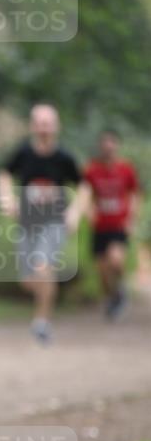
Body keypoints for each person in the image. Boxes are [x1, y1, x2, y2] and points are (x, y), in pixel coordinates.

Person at [0, 104, 89, 344]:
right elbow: (4, 174)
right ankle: (47, 298)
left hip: (55, 222)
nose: (43, 128)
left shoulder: (64, 158)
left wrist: (75, 212)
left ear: (56, 127)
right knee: (28, 281)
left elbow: (84, 186)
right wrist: (7, 199)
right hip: (27, 222)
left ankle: (41, 322)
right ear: (32, 126)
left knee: (42, 265)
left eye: (48, 123)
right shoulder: (24, 153)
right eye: (39, 123)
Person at [83, 131, 141, 319]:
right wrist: (88, 211)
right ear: (101, 147)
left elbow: (135, 194)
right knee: (102, 271)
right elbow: (85, 193)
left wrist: (131, 218)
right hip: (100, 226)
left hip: (118, 225)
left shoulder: (126, 169)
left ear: (117, 145)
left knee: (116, 260)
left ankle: (121, 290)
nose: (108, 147)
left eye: (112, 143)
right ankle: (113, 296)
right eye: (105, 144)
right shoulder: (92, 170)